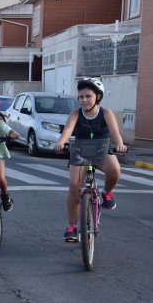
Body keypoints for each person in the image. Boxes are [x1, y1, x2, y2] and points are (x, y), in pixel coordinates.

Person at [54, 78, 127, 243]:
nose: (84, 100)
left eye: (88, 96)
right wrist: (61, 143)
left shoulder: (106, 113)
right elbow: (67, 130)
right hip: (80, 150)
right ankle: (72, 227)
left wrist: (120, 144)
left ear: (98, 97)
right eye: (81, 97)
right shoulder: (75, 114)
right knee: (74, 186)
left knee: (115, 171)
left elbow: (115, 132)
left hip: (102, 149)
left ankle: (107, 193)